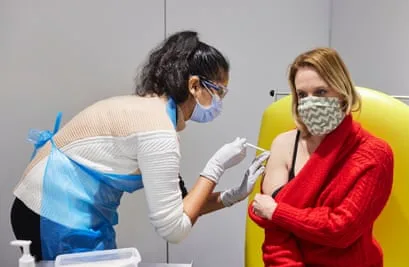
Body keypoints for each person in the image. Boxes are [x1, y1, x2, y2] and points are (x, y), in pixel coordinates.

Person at [10, 30, 269, 261]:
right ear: (194, 85)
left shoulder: (153, 113)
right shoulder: (156, 129)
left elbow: (182, 204)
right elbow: (174, 229)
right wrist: (216, 167)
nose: (219, 101)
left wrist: (232, 195)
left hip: (55, 204)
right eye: (219, 91)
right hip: (53, 210)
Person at [248, 47, 394, 267]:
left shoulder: (374, 154)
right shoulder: (284, 145)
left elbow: (340, 230)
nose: (310, 102)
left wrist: (277, 211)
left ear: (342, 92)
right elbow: (275, 234)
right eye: (302, 95)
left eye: (321, 92)